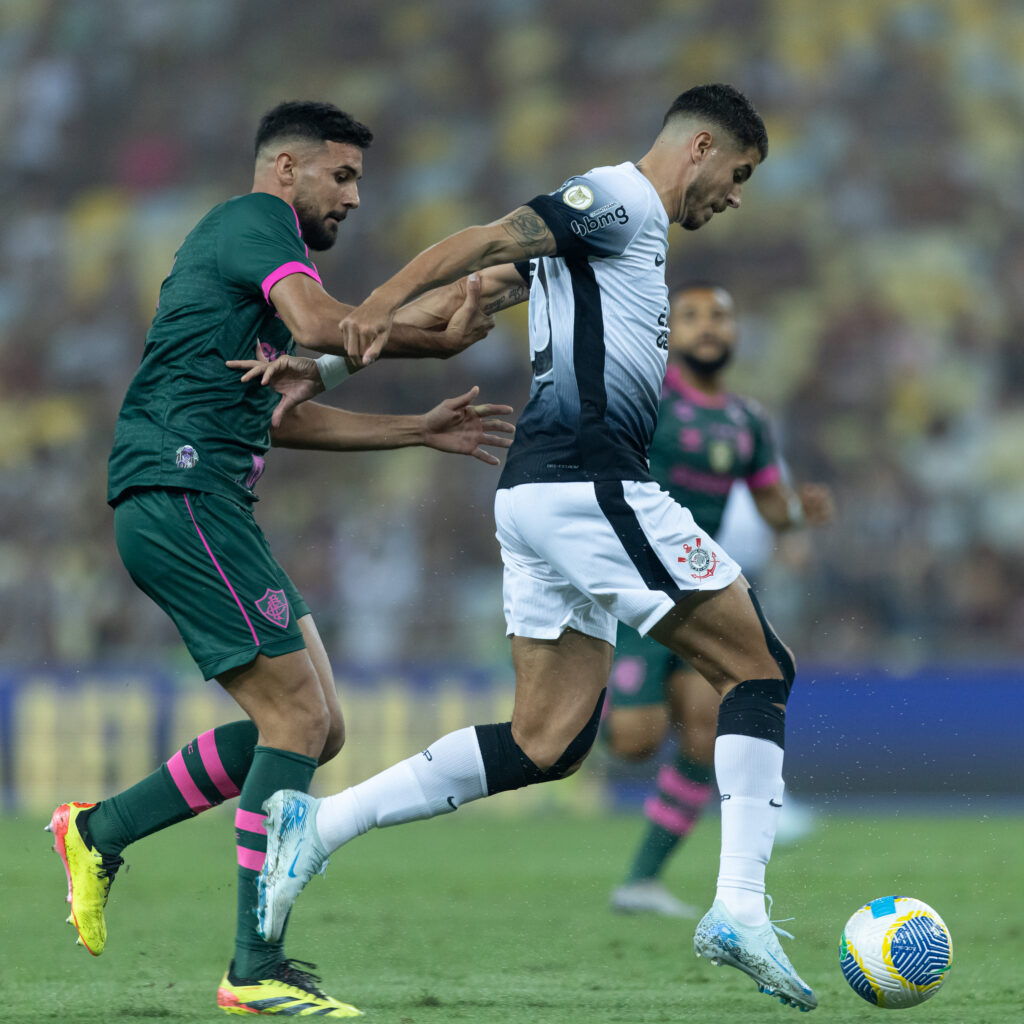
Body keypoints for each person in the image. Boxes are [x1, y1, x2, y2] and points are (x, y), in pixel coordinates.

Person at [251, 83, 819, 1012]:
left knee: (547, 741)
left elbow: (478, 291)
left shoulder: (611, 241)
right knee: (760, 671)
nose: (738, 195)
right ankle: (738, 908)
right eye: (740, 173)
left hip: (537, 498)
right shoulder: (619, 197)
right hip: (592, 485)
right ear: (703, 146)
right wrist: (367, 308)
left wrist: (327, 367)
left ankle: (317, 826)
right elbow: (480, 242)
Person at [46, 100, 514, 1019]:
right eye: (341, 178)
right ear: (287, 170)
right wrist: (426, 327)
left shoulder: (245, 282)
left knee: (315, 727)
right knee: (296, 718)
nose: (352, 198)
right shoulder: (256, 224)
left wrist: (416, 425)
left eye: (358, 184)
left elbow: (286, 412)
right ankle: (253, 968)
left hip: (206, 499)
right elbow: (323, 320)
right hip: (181, 491)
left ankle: (98, 832)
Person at [605, 281, 834, 919]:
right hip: (633, 587)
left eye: (721, 317)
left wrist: (798, 512)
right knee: (633, 742)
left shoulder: (747, 421)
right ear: (671, 333)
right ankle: (578, 703)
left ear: (735, 334)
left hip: (700, 591)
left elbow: (771, 509)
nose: (709, 327)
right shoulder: (646, 401)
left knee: (705, 732)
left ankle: (641, 879)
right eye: (695, 317)